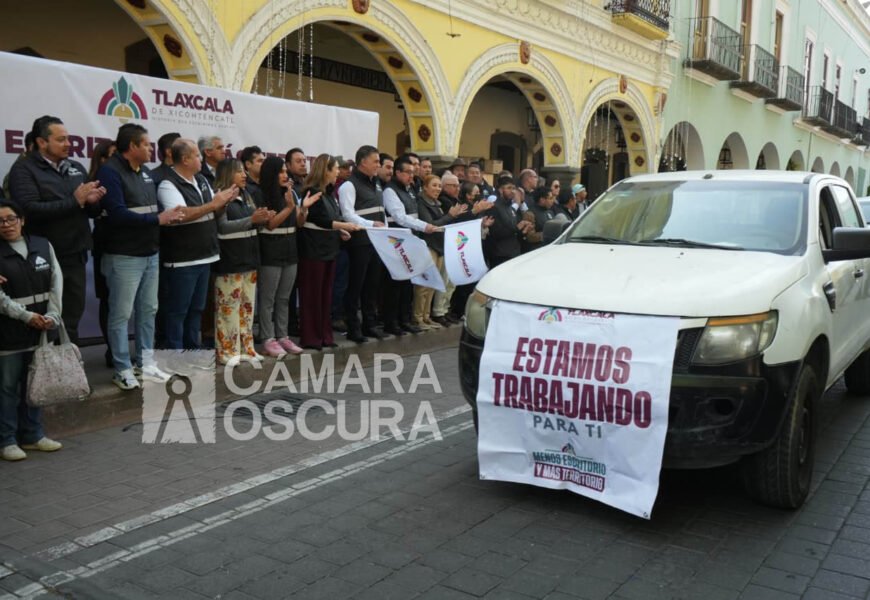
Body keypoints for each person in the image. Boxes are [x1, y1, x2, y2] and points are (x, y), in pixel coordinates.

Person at [97, 124, 184, 390]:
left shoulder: (145, 173)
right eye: (146, 144)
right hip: (124, 255)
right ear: (132, 146)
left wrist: (163, 219)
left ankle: (145, 363)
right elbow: (117, 214)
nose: (150, 149)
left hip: (150, 253)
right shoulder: (110, 172)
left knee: (149, 310)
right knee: (121, 314)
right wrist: (158, 218)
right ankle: (122, 367)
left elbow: (151, 210)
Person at [8, 115, 107, 345]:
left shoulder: (75, 167)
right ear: (42, 142)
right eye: (61, 139)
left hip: (75, 254)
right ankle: (44, 375)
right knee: (47, 317)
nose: (68, 144)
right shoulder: (24, 169)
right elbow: (28, 210)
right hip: (42, 257)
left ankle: (70, 374)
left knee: (71, 317)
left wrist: (92, 202)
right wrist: (75, 201)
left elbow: (90, 211)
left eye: (68, 139)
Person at [0, 201, 65, 461]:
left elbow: (56, 280)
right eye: (0, 221)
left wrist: (53, 315)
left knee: (35, 385)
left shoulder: (42, 245)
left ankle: (34, 435)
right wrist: (26, 316)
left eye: (11, 218)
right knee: (7, 388)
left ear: (22, 220)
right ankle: (6, 440)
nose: (6, 225)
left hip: (41, 329)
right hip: (9, 331)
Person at [157, 138, 236, 350]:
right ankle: (175, 355)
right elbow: (180, 214)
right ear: (185, 159)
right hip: (183, 260)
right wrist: (213, 204)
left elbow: (214, 209)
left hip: (206, 254)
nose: (201, 159)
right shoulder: (168, 183)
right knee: (178, 311)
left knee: (197, 310)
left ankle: (192, 353)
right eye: (197, 156)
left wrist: (224, 202)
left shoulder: (200, 179)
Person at [256, 157, 319, 358]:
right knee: (268, 298)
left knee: (284, 298)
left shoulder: (290, 193)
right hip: (270, 251)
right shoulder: (260, 194)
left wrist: (303, 209)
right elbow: (270, 224)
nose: (285, 175)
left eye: (285, 171)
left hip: (291, 249)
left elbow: (299, 223)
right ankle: (267, 338)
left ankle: (282, 336)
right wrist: (290, 208)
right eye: (281, 172)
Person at [213, 159, 274, 365]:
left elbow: (253, 223)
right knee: (228, 308)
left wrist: (263, 218)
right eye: (239, 171)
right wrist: (252, 220)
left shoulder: (247, 195)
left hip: (250, 259)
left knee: (247, 308)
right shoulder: (221, 196)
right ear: (228, 173)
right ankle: (226, 351)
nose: (244, 175)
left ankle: (246, 348)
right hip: (231, 261)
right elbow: (223, 227)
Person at [298, 155, 362, 350]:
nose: (338, 172)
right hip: (313, 250)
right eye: (335, 169)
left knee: (325, 295)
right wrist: (347, 225)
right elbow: (320, 220)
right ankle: (311, 337)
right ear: (325, 170)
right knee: (312, 295)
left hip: (329, 249)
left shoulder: (328, 194)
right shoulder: (312, 192)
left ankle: (325, 335)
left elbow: (330, 220)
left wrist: (340, 229)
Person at [382, 155, 438, 335]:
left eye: (413, 173)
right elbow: (399, 217)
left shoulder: (410, 189)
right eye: (407, 172)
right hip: (396, 242)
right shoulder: (390, 191)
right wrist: (424, 226)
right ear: (397, 172)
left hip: (411, 240)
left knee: (407, 283)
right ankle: (391, 322)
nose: (411, 176)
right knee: (395, 284)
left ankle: (404, 319)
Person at [339, 145, 387, 343]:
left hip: (377, 241)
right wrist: (369, 224)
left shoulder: (376, 183)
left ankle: (370, 324)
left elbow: (380, 210)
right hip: (360, 242)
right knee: (356, 286)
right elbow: (347, 213)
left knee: (372, 285)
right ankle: (353, 327)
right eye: (375, 161)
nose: (378, 165)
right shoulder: (348, 185)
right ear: (363, 162)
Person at [413, 175, 467, 330]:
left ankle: (426, 316)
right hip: (428, 245)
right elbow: (431, 225)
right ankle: (417, 317)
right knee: (423, 285)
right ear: (425, 187)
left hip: (439, 246)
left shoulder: (437, 203)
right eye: (434, 185)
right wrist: (450, 215)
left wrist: (450, 216)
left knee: (432, 284)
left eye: (438, 186)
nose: (437, 189)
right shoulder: (421, 202)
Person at [88, 140, 117, 367]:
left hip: (130, 247)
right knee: (108, 299)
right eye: (111, 156)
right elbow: (92, 211)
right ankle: (112, 350)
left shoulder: (127, 177)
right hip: (105, 245)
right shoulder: (93, 182)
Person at [450, 181, 494, 320]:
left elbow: (477, 227)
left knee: (472, 281)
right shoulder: (464, 207)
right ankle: (457, 310)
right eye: (475, 193)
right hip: (462, 249)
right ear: (468, 195)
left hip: (477, 248)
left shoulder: (479, 209)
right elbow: (461, 224)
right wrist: (475, 212)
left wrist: (484, 225)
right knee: (463, 282)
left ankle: (465, 309)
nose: (478, 195)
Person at [484, 176, 532, 267]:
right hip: (500, 254)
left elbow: (514, 228)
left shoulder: (511, 207)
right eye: (509, 188)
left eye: (514, 188)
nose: (513, 191)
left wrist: (524, 229)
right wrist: (517, 227)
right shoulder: (494, 207)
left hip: (514, 252)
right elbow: (495, 233)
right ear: (501, 190)